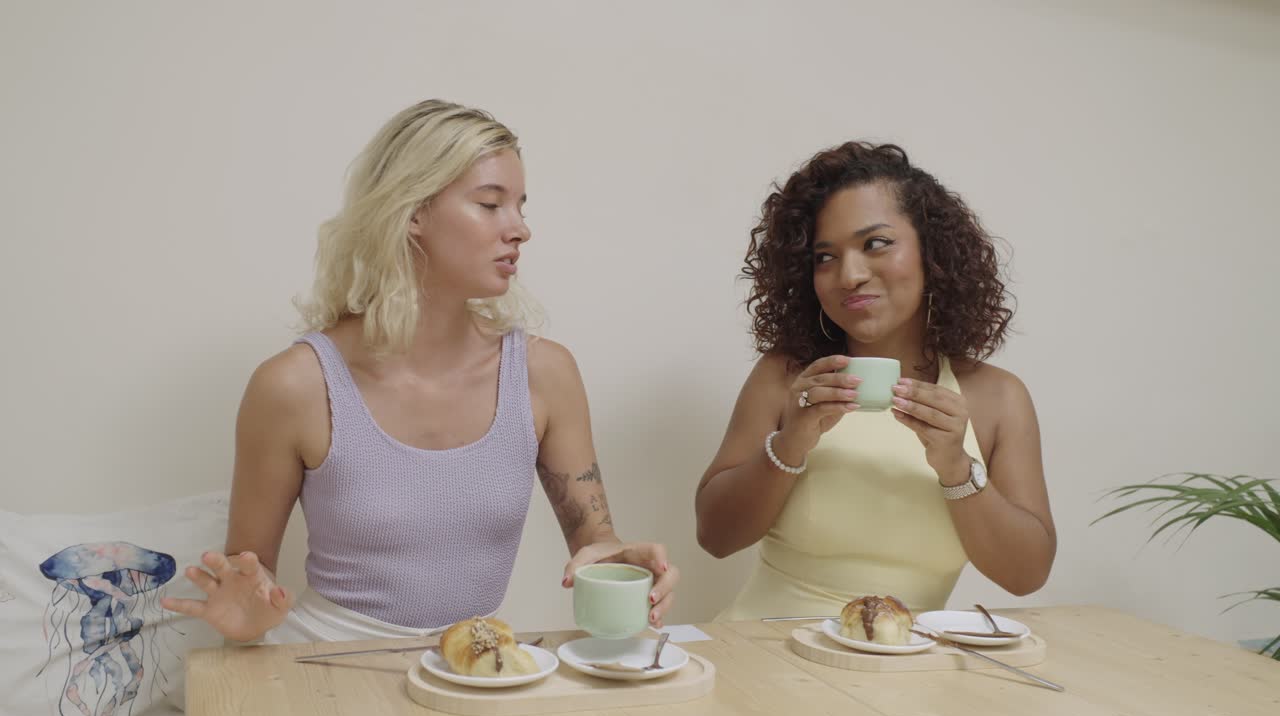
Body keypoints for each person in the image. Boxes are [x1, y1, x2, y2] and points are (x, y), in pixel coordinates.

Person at [160, 99, 678, 642]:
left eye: (521, 206)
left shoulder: (546, 374)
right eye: (490, 204)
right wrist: (248, 619)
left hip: (475, 668)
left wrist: (622, 561)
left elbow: (596, 542)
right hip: (328, 669)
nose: (521, 229)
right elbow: (251, 574)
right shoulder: (294, 385)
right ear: (411, 213)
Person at [695, 142, 1054, 620]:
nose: (849, 275)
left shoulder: (998, 399)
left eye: (875, 244)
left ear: (933, 251)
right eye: (825, 256)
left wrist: (957, 470)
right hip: (764, 656)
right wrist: (791, 442)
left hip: (907, 669)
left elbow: (1026, 575)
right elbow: (715, 538)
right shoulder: (786, 377)